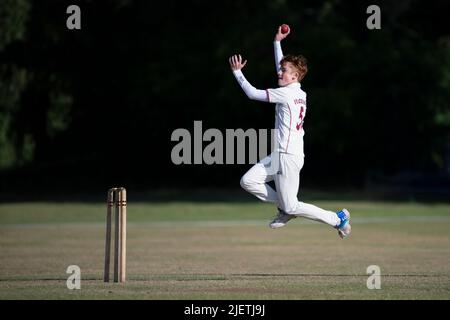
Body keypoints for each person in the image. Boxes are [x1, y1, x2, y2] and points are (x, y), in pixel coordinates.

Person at [228, 25, 351, 239]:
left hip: (288, 157)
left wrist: (237, 72)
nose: (279, 72)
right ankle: (285, 208)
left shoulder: (285, 94)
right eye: (281, 69)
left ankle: (338, 218)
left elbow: (251, 93)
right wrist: (277, 42)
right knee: (248, 181)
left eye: (283, 71)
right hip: (281, 154)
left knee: (293, 206)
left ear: (294, 76)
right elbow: (283, 64)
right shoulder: (298, 92)